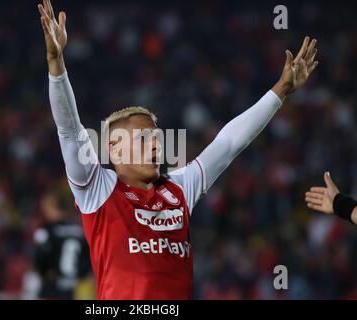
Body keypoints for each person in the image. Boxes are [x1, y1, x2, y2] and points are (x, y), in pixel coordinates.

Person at [37, 0, 318, 299]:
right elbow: (69, 129)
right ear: (115, 150)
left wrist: (281, 90)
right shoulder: (97, 188)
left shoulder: (179, 187)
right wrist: (56, 62)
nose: (157, 145)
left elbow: (229, 144)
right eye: (143, 139)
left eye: (157, 138)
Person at [34, 191, 91, 299]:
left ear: (50, 206)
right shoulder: (80, 230)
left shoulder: (46, 231)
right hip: (77, 290)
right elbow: (89, 259)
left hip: (52, 289)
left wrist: (44, 272)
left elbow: (40, 258)